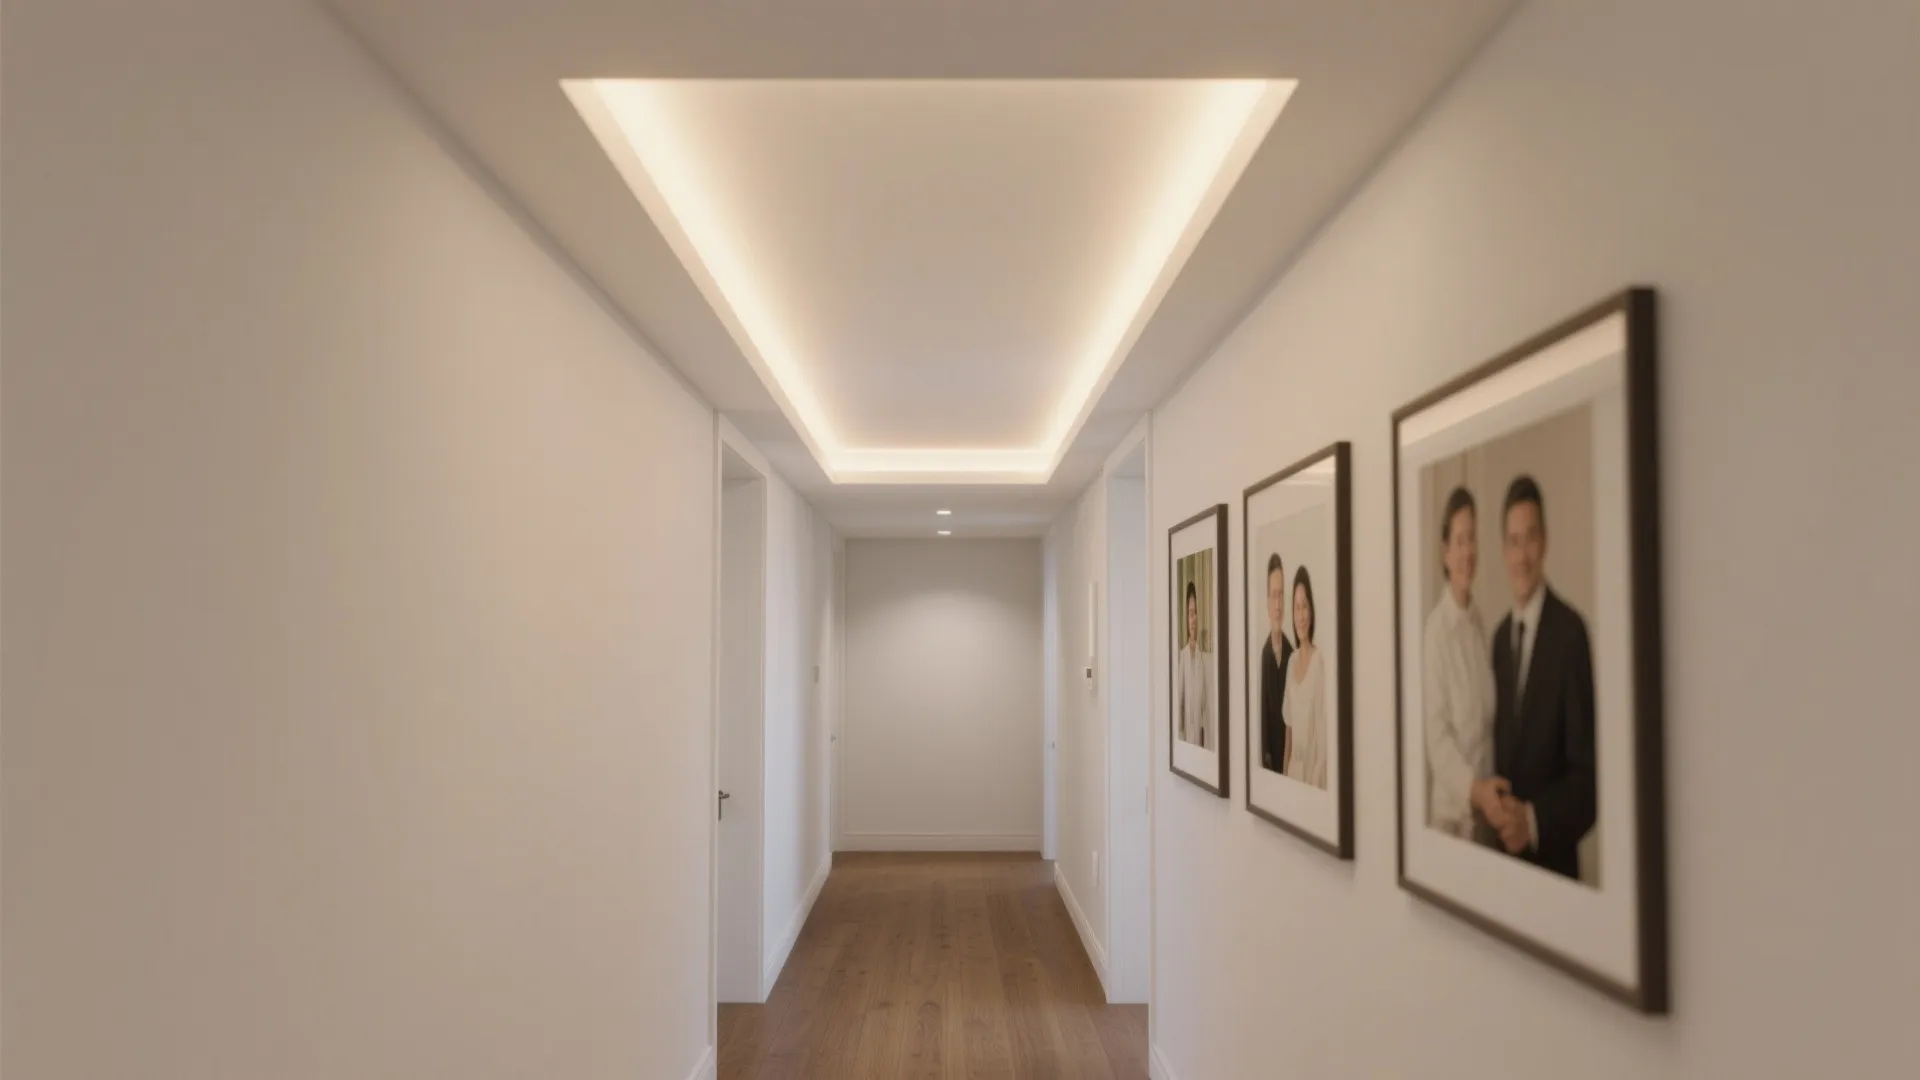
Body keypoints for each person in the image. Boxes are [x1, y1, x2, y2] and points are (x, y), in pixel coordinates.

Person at [1471, 476, 1597, 879]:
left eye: (1530, 538)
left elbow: (1589, 779)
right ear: (1503, 550)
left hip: (1554, 872)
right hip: (1501, 870)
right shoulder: (1496, 640)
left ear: (1544, 542)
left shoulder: (1571, 633)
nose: (1522, 555)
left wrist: (1533, 821)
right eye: (1513, 541)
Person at [1423, 486, 1497, 840]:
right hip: (1451, 821)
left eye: (1472, 539)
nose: (1468, 551)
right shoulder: (1435, 631)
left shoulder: (1480, 624)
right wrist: (1475, 791)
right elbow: (1437, 742)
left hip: (1486, 816)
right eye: (1460, 541)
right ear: (1446, 551)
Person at [1282, 566, 1328, 789]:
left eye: (1305, 607)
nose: (1301, 616)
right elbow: (1288, 736)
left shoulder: (1319, 663)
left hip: (1312, 778)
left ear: (1311, 611)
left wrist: (1314, 784)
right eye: (1296, 607)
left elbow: (1322, 740)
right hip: (1292, 775)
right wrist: (1283, 779)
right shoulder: (1291, 662)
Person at [1258, 553, 1294, 773]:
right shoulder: (1263, 656)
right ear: (1267, 602)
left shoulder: (1293, 655)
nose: (1278, 605)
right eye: (1273, 596)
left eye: (1281, 595)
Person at [1174, 579, 1215, 749]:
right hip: (1185, 740)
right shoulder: (1182, 656)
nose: (1193, 619)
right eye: (1190, 613)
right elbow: (1179, 700)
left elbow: (1206, 704)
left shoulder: (1203, 658)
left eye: (1196, 613)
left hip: (1201, 740)